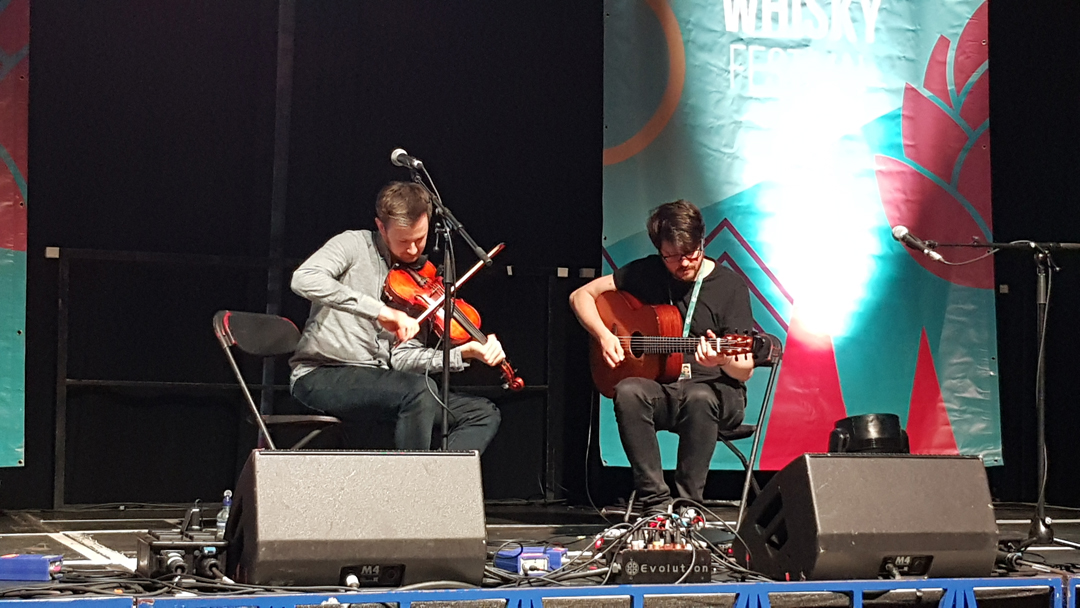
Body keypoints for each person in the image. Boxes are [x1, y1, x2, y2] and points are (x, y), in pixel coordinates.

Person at [569, 200, 755, 515]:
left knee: (699, 397)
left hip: (717, 392)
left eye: (691, 253)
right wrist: (604, 335)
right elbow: (580, 295)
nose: (684, 263)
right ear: (660, 251)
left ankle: (687, 505)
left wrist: (721, 360)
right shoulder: (647, 272)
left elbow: (745, 369)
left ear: (702, 241)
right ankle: (654, 501)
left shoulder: (730, 286)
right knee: (629, 391)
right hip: (665, 387)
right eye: (672, 256)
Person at [288, 181, 504, 452]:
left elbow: (402, 358)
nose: (413, 250)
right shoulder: (353, 244)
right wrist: (379, 311)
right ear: (381, 227)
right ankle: (411, 477)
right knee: (418, 391)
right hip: (322, 374)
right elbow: (304, 279)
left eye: (420, 239)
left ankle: (438, 477)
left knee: (481, 414)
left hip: (383, 383)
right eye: (403, 241)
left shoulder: (419, 279)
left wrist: (463, 353)